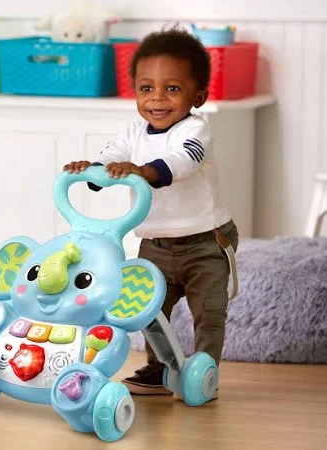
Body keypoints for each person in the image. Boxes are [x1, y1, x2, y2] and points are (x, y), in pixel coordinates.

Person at [63, 27, 239, 399]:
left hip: (205, 242)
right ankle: (160, 369)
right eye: (146, 88)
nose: (157, 98)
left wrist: (144, 171)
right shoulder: (133, 133)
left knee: (208, 313)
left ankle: (204, 373)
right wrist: (92, 171)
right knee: (148, 309)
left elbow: (183, 161)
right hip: (155, 244)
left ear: (198, 96)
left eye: (172, 88)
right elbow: (112, 156)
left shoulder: (196, 130)